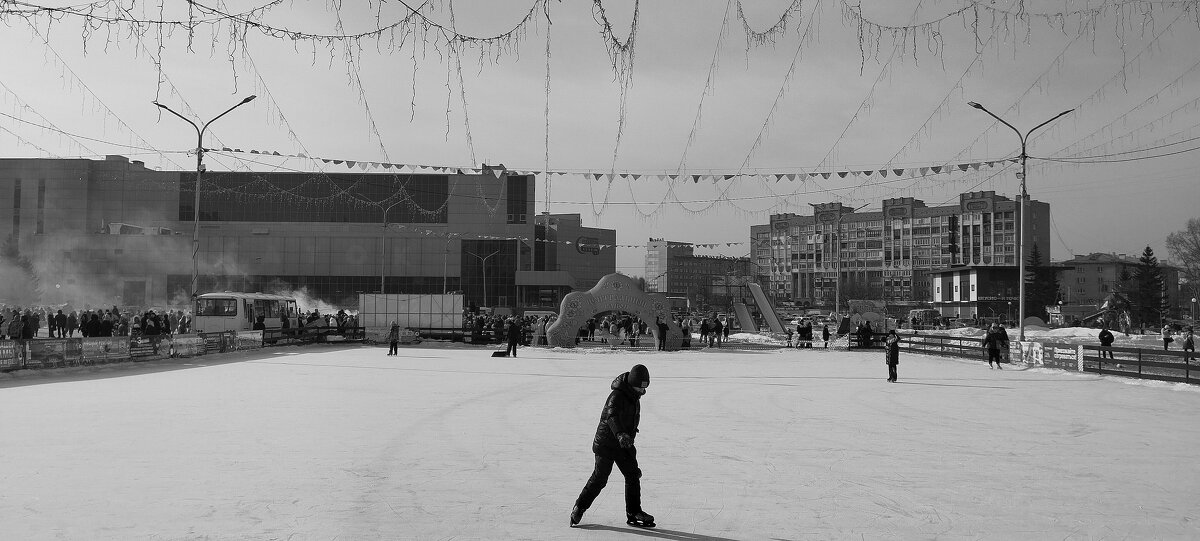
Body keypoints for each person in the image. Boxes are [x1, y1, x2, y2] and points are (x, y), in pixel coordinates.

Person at [571, 364, 655, 529]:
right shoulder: (617, 396)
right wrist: (620, 434)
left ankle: (634, 511)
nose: (642, 391)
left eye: (644, 387)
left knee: (632, 475)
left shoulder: (634, 396)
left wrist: (627, 437)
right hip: (606, 443)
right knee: (600, 478)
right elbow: (612, 416)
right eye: (640, 387)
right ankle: (579, 507)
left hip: (623, 444)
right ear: (632, 383)